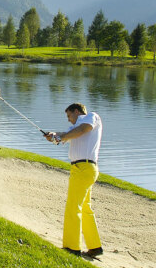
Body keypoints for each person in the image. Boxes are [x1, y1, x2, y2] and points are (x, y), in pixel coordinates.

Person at [44, 103, 104, 259]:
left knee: (73, 207)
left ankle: (72, 247)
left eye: (69, 115)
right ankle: (95, 247)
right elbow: (66, 134)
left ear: (77, 111)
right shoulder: (73, 130)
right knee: (85, 208)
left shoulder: (91, 117)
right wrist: (53, 135)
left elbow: (83, 130)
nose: (68, 119)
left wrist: (62, 136)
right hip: (81, 169)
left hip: (84, 168)